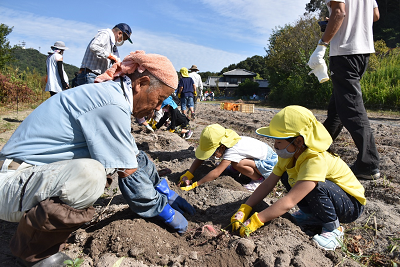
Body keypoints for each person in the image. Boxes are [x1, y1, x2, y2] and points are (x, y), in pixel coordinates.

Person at [0, 50, 195, 266]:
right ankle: (35, 254)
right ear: (142, 83)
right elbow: (129, 174)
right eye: (159, 99)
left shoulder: (112, 97)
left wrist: (164, 190)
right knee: (90, 175)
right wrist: (163, 211)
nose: (158, 108)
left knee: (114, 163)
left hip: (26, 179)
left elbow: (134, 158)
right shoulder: (110, 104)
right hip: (11, 185)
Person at [231, 105, 366, 251]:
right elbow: (267, 184)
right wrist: (245, 208)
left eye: (279, 141)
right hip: (332, 198)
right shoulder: (289, 155)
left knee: (315, 186)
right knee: (287, 175)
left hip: (350, 205)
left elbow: (290, 201)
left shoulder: (315, 159)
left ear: (299, 141)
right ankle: (311, 214)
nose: (275, 145)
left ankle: (333, 229)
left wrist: (257, 220)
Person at [307, 0, 380, 180]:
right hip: (362, 52)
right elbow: (376, 15)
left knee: (351, 108)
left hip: (344, 52)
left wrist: (321, 45)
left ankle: (368, 164)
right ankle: (317, 149)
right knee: (338, 107)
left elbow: (339, 13)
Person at [179, 124, 278, 192]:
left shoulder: (233, 150)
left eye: (213, 153)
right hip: (260, 158)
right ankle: (235, 170)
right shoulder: (227, 141)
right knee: (235, 161)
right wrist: (189, 173)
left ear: (221, 147)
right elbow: (201, 158)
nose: (212, 156)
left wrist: (196, 184)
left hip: (269, 164)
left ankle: (259, 180)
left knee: (237, 163)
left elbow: (216, 173)